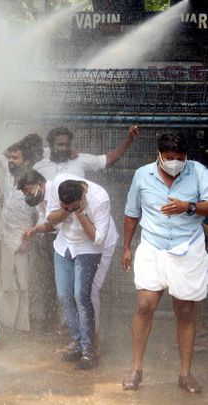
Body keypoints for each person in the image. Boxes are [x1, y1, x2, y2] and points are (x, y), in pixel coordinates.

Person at [121, 132, 208, 393]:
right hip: (153, 246)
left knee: (184, 311)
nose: (175, 162)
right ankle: (136, 368)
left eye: (180, 158)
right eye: (170, 158)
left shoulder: (199, 172)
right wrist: (126, 247)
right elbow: (131, 213)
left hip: (187, 246)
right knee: (145, 305)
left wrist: (188, 207)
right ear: (159, 155)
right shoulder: (142, 175)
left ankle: (185, 374)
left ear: (186, 157)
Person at [18, 169, 118, 335]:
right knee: (66, 294)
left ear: (40, 184)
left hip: (97, 244)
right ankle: (79, 338)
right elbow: (52, 222)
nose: (27, 195)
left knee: (88, 292)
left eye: (28, 190)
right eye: (24, 193)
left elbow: (98, 237)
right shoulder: (44, 199)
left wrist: (74, 209)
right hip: (71, 244)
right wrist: (36, 229)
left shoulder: (76, 189)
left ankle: (93, 339)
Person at [43, 175, 116, 369]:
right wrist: (66, 211)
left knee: (82, 296)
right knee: (64, 295)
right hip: (64, 245)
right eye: (65, 205)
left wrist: (81, 213)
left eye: (72, 206)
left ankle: (88, 350)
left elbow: (97, 239)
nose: (69, 209)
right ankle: (76, 342)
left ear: (83, 196)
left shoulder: (100, 198)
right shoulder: (58, 183)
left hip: (89, 248)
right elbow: (50, 219)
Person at [0, 134, 38, 331]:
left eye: (15, 158)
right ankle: (0, 320)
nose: (10, 161)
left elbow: (39, 213)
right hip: (3, 235)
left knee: (20, 283)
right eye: (10, 158)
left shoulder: (34, 179)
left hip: (21, 238)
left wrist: (31, 236)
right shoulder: (9, 172)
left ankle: (20, 326)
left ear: (26, 160)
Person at [32, 125, 139, 181]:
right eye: (60, 145)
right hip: (47, 222)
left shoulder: (80, 160)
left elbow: (108, 160)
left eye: (67, 145)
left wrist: (129, 139)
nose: (64, 148)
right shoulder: (38, 167)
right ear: (50, 146)